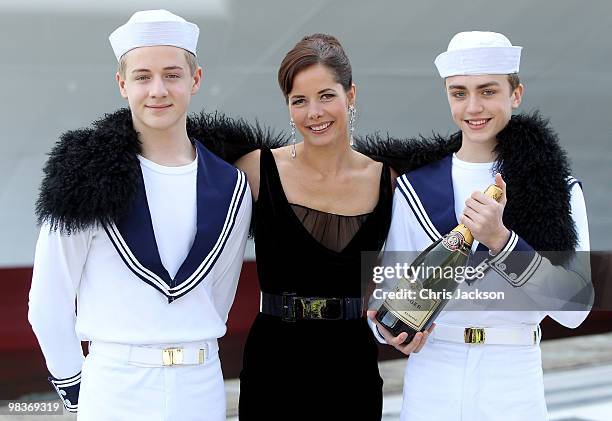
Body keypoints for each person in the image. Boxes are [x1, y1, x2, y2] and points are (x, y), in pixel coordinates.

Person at [28, 10, 252, 420]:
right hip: (115, 386)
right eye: (143, 76)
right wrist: (77, 390)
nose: (158, 90)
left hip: (200, 386)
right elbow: (48, 300)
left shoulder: (232, 186)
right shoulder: (84, 177)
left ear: (195, 79)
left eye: (172, 74)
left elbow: (217, 298)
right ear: (122, 84)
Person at [368, 31, 593, 420]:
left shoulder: (556, 187)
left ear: (516, 95)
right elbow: (386, 290)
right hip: (433, 374)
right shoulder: (413, 187)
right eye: (459, 93)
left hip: (513, 378)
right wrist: (386, 331)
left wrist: (503, 242)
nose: (473, 107)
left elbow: (576, 307)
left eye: (488, 92)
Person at [234, 33, 431, 420]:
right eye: (299, 101)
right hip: (273, 366)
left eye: (326, 96)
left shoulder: (388, 180)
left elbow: (402, 271)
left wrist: (409, 325)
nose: (314, 113)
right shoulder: (257, 170)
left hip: (351, 366)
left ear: (350, 95)